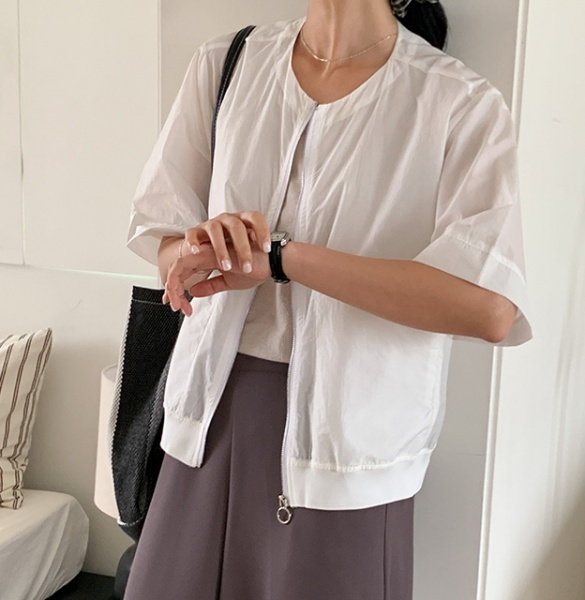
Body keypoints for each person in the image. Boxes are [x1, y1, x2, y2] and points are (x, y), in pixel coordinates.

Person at [123, 0, 532, 598]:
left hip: (348, 446)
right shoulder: (227, 63)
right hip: (207, 419)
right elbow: (163, 241)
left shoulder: (458, 102)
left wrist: (282, 259)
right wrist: (202, 249)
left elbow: (490, 308)